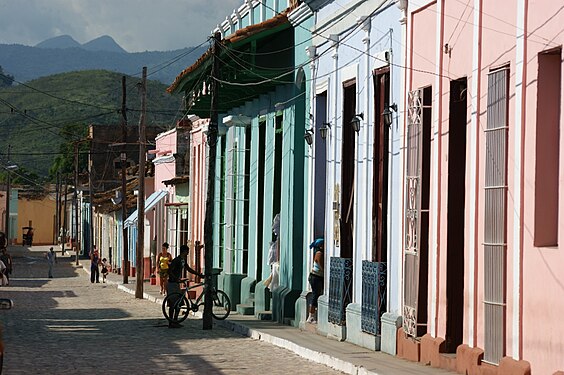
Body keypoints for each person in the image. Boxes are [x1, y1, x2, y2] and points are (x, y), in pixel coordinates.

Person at [167, 244, 203, 328]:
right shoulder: (176, 260)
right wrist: (177, 279)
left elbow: (188, 269)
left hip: (176, 284)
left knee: (178, 304)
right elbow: (170, 271)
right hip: (172, 283)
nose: (187, 253)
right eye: (187, 252)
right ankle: (171, 322)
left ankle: (175, 321)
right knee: (173, 304)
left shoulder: (183, 260)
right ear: (184, 252)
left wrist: (198, 274)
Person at [307, 238, 324, 324]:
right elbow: (321, 265)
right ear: (320, 246)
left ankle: (312, 315)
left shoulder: (318, 253)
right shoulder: (319, 254)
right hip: (316, 277)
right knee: (315, 295)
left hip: (315, 276)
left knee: (315, 295)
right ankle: (311, 316)